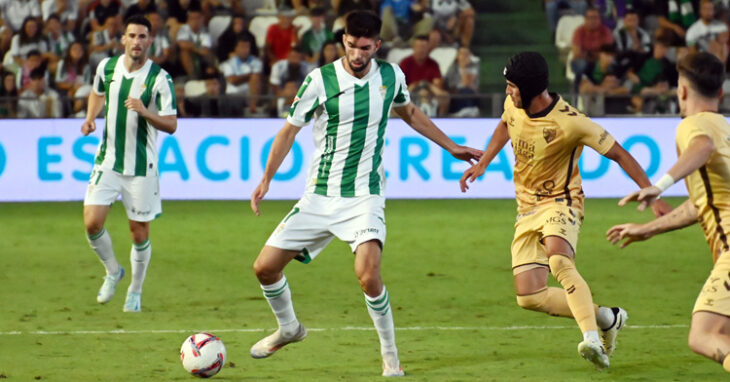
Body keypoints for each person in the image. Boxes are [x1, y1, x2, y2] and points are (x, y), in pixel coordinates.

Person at [248, 10, 481, 377]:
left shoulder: (391, 76)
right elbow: (288, 131)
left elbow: (410, 112)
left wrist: (450, 146)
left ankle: (390, 357)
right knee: (264, 268)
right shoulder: (320, 80)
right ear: (344, 41)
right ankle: (290, 328)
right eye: (352, 46)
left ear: (378, 45)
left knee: (368, 274)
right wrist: (266, 179)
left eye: (365, 47)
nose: (357, 55)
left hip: (365, 195)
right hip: (320, 195)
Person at [459, 51, 672, 370]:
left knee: (559, 259)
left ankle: (591, 338)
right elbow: (505, 124)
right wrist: (485, 162)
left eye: (512, 86)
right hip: (526, 207)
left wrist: (652, 192)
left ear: (530, 88)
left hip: (562, 200)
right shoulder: (513, 105)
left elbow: (620, 154)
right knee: (529, 296)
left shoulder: (572, 122)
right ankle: (605, 318)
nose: (507, 92)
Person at [607, 51, 730, 375]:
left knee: (704, 335)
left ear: (683, 91)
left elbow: (700, 146)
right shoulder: (724, 127)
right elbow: (702, 204)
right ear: (720, 92)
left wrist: (660, 184)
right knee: (724, 334)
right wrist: (647, 229)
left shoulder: (694, 126)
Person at [81, 15, 177, 313]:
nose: (137, 41)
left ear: (150, 41)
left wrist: (146, 112)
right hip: (107, 160)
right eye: (132, 36)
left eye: (142, 36)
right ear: (123, 39)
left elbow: (172, 124)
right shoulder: (106, 67)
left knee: (139, 232)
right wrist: (90, 117)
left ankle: (135, 290)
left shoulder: (160, 78)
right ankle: (112, 271)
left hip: (141, 168)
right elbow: (97, 93)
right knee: (92, 222)